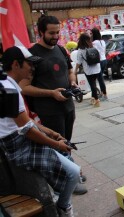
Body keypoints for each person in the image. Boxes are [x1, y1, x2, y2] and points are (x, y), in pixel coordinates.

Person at [0, 46, 80, 217]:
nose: (33, 68)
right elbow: (26, 129)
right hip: (19, 147)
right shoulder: (10, 90)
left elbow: (24, 122)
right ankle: (63, 206)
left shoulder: (6, 84)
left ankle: (62, 203)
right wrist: (56, 144)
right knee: (72, 173)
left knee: (72, 171)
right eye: (30, 64)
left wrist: (49, 132)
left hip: (21, 141)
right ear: (16, 64)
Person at [19, 15, 87, 195]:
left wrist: (72, 83)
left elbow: (70, 71)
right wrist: (51, 93)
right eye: (51, 33)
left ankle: (71, 171)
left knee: (67, 141)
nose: (56, 36)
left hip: (67, 106)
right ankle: (66, 180)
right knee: (57, 144)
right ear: (40, 32)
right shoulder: (31, 55)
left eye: (57, 32)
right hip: (48, 111)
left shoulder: (62, 50)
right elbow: (24, 87)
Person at [74, 33, 101, 107]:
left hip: (88, 70)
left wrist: (75, 70)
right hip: (97, 68)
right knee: (94, 84)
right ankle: (93, 98)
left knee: (92, 84)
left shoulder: (80, 50)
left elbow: (79, 62)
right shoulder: (93, 46)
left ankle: (97, 100)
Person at [91, 27, 108, 101]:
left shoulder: (94, 43)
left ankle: (104, 94)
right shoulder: (102, 41)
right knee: (100, 77)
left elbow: (94, 52)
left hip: (99, 61)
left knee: (100, 78)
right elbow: (104, 51)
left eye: (91, 33)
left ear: (93, 34)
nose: (90, 35)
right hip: (104, 60)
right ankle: (102, 93)